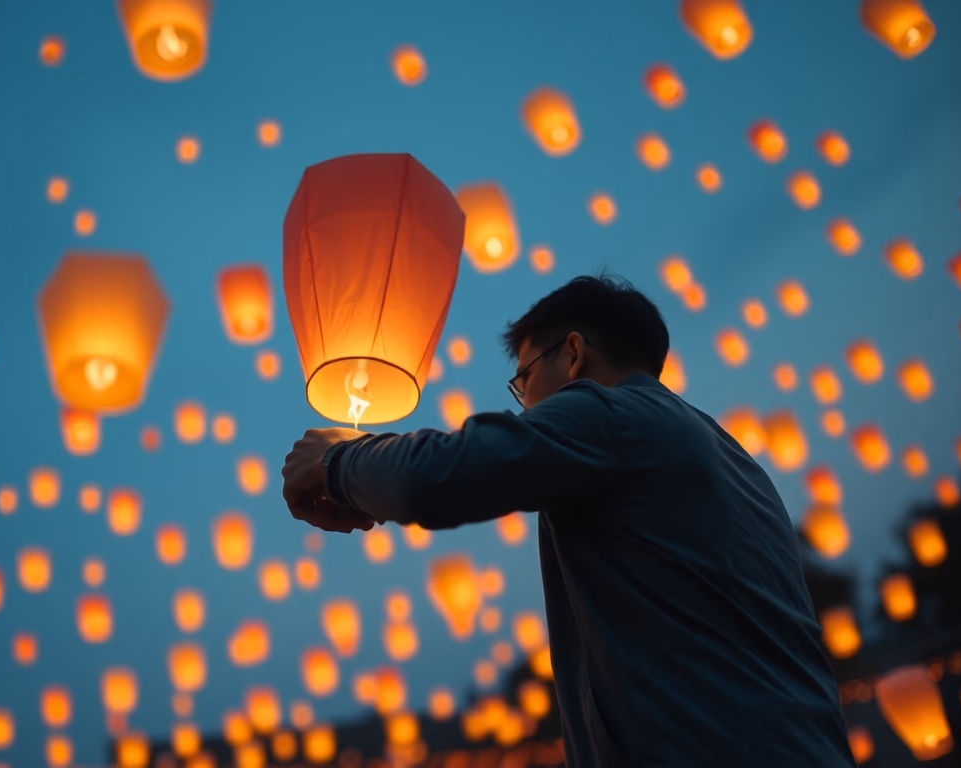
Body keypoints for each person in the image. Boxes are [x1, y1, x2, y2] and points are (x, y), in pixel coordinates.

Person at [281, 274, 855, 767]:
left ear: (573, 354)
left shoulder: (614, 415)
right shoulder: (732, 459)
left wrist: (338, 460)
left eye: (524, 381)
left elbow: (435, 477)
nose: (526, 407)